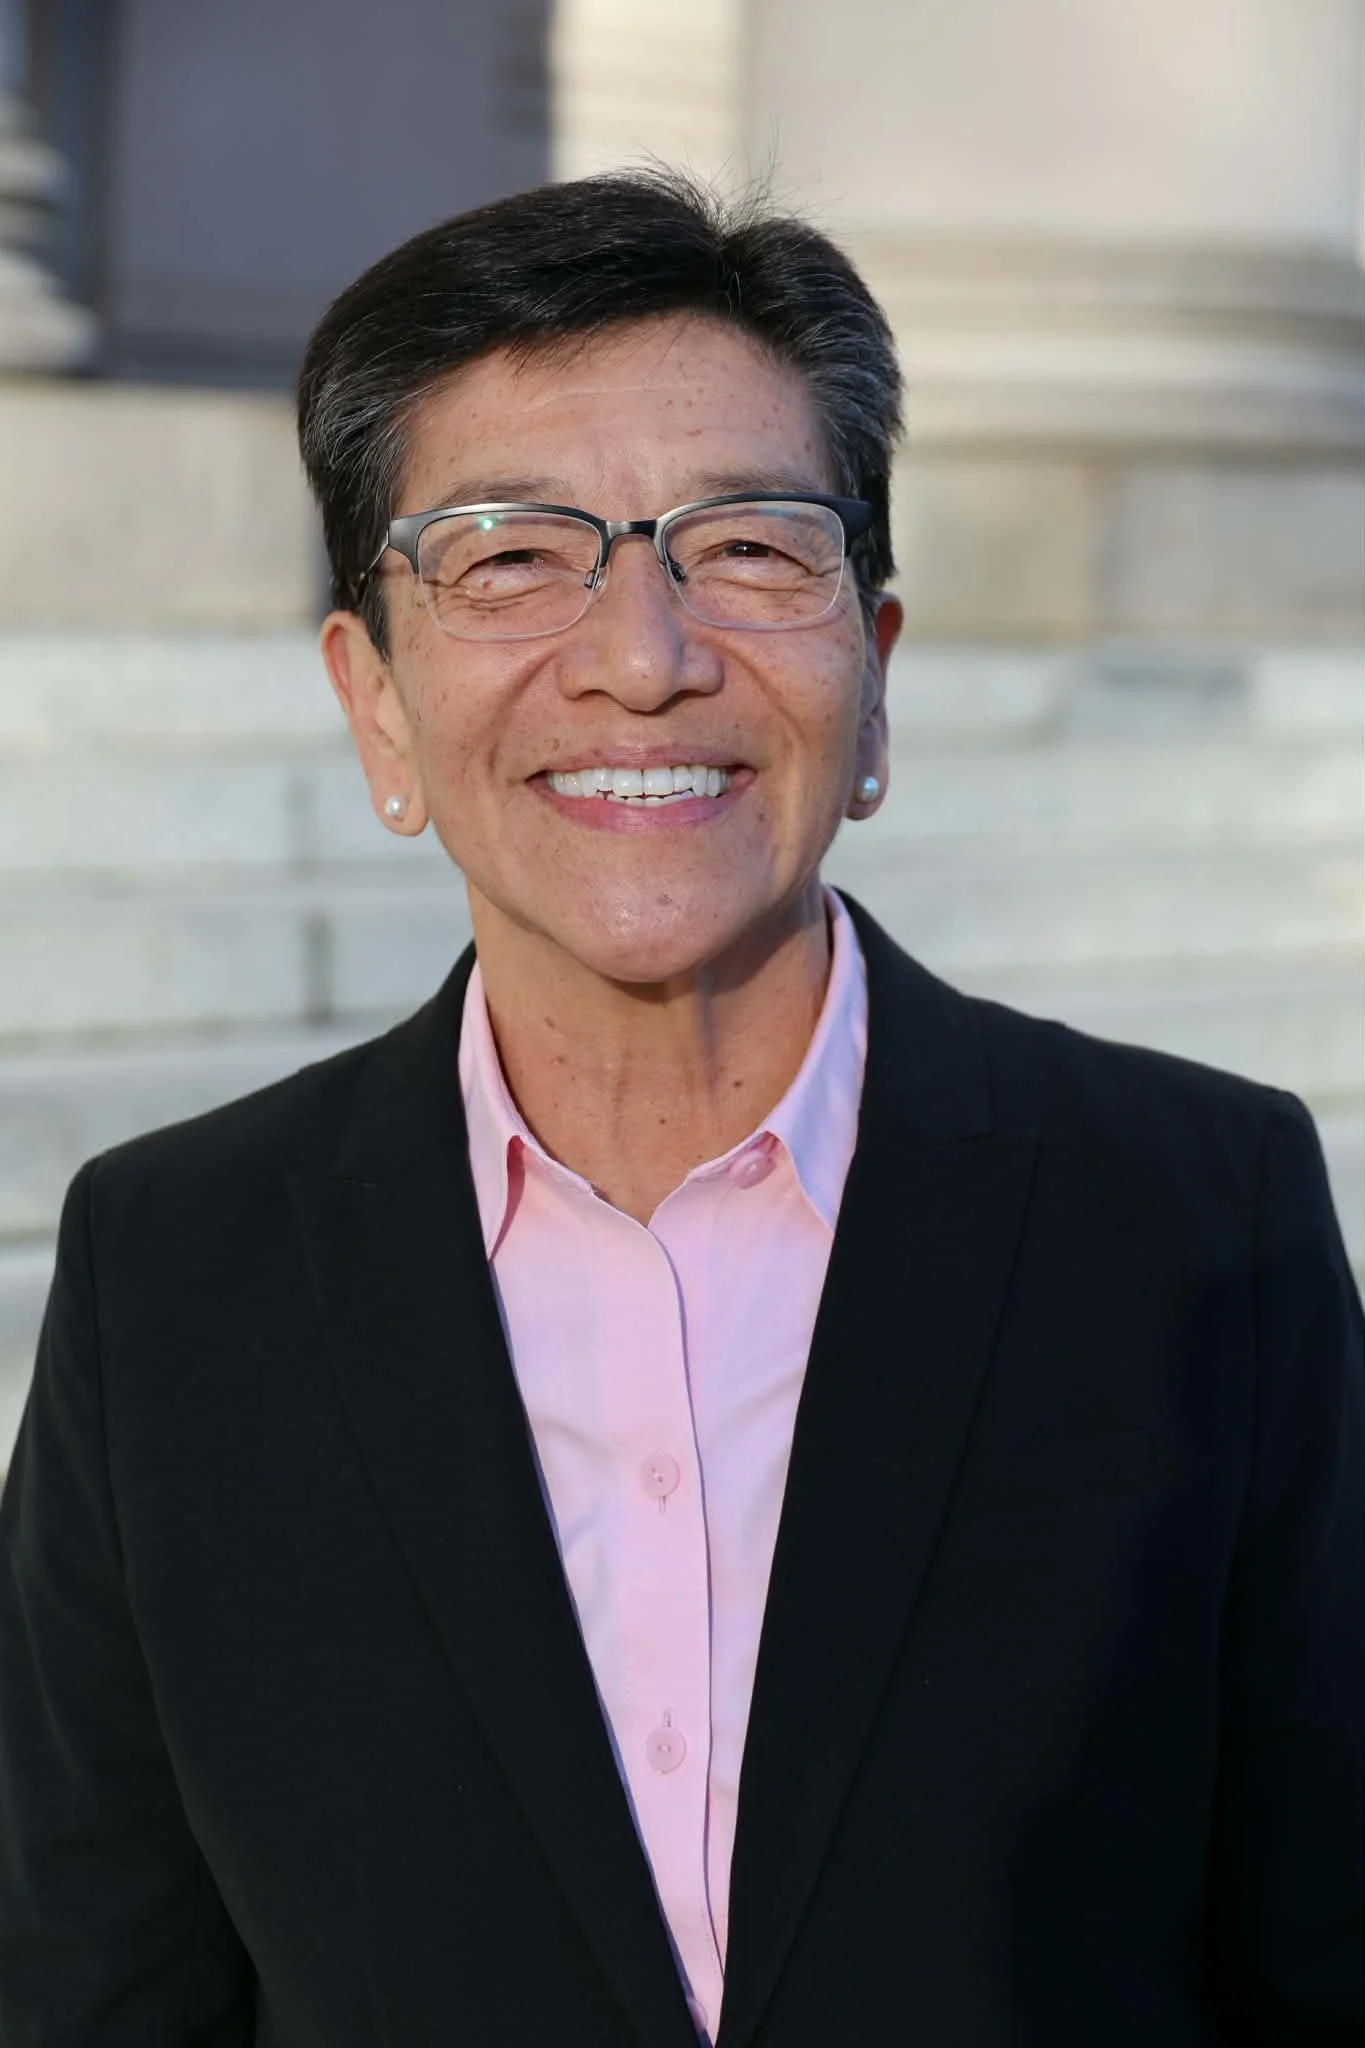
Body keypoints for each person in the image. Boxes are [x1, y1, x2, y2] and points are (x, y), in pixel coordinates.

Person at [0, 169, 1360, 2048]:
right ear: (377, 706)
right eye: (508, 555)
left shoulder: (1200, 1219)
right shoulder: (173, 1272)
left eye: (746, 547)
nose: (643, 658)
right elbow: (90, 1985)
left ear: (874, 676)